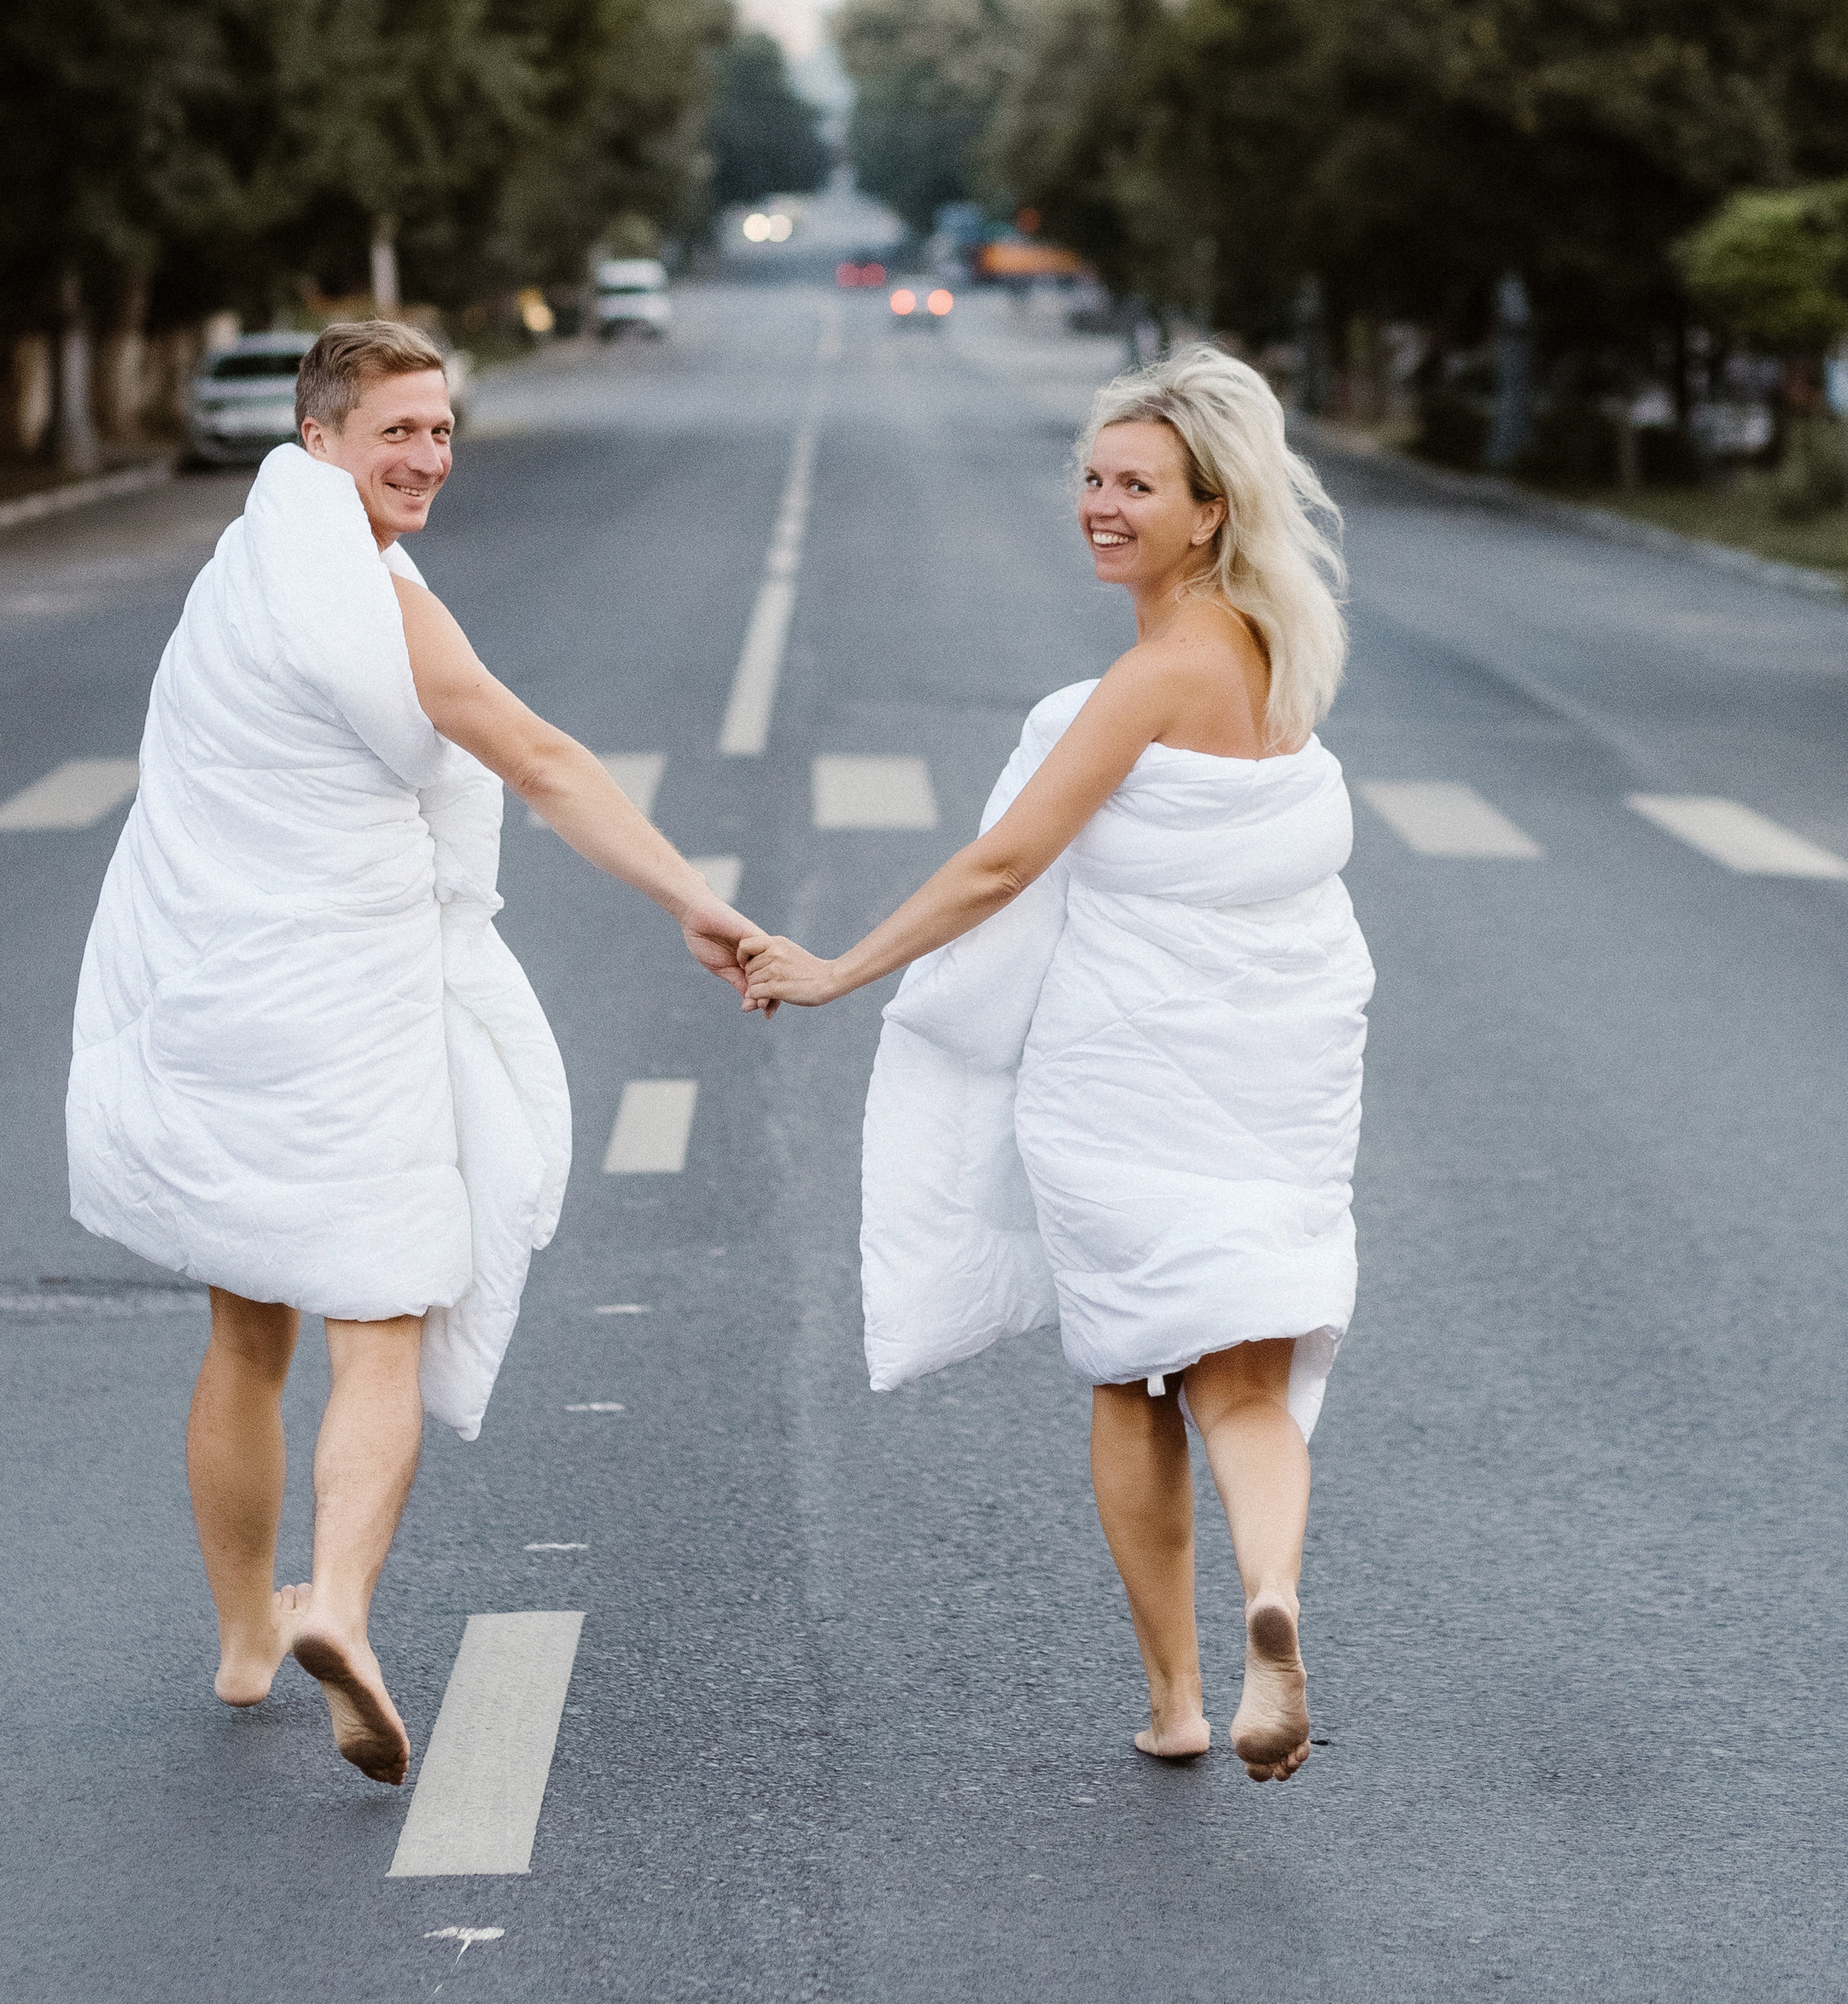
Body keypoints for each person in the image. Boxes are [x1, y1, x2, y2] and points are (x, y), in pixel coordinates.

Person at [67, 316, 750, 1784]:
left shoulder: (239, 579)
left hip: (214, 997)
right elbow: (539, 757)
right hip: (341, 1005)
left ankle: (247, 1641)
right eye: (397, 432)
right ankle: (341, 1607)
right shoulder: (381, 608)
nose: (429, 457)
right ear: (318, 439)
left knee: (246, 1331)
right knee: (382, 1314)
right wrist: (692, 899)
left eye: (442, 430)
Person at [738, 348, 1372, 1782]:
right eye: (1092, 477)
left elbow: (1007, 862)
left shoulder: (1154, 675)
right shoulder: (1277, 656)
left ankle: (1179, 1700)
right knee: (1246, 1378)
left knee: (1132, 1373)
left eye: (1137, 485)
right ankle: (1273, 1590)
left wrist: (839, 968)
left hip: (1130, 1072)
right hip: (1278, 1063)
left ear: (1210, 510)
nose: (1100, 504)